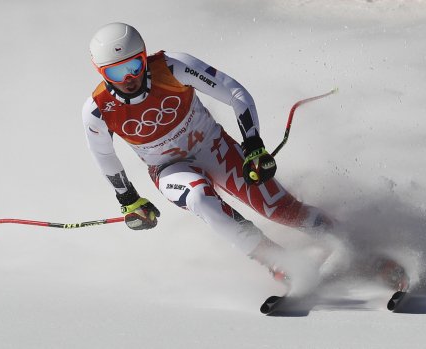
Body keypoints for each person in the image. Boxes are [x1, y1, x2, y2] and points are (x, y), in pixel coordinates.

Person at [82, 22, 334, 282]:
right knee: (200, 199)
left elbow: (235, 92)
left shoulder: (172, 67)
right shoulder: (97, 110)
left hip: (212, 146)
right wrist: (129, 200)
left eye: (134, 66)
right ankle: (281, 264)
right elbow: (103, 155)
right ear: (101, 72)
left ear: (144, 56)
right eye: (115, 72)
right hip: (168, 169)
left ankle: (342, 239)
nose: (129, 78)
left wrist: (253, 147)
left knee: (276, 208)